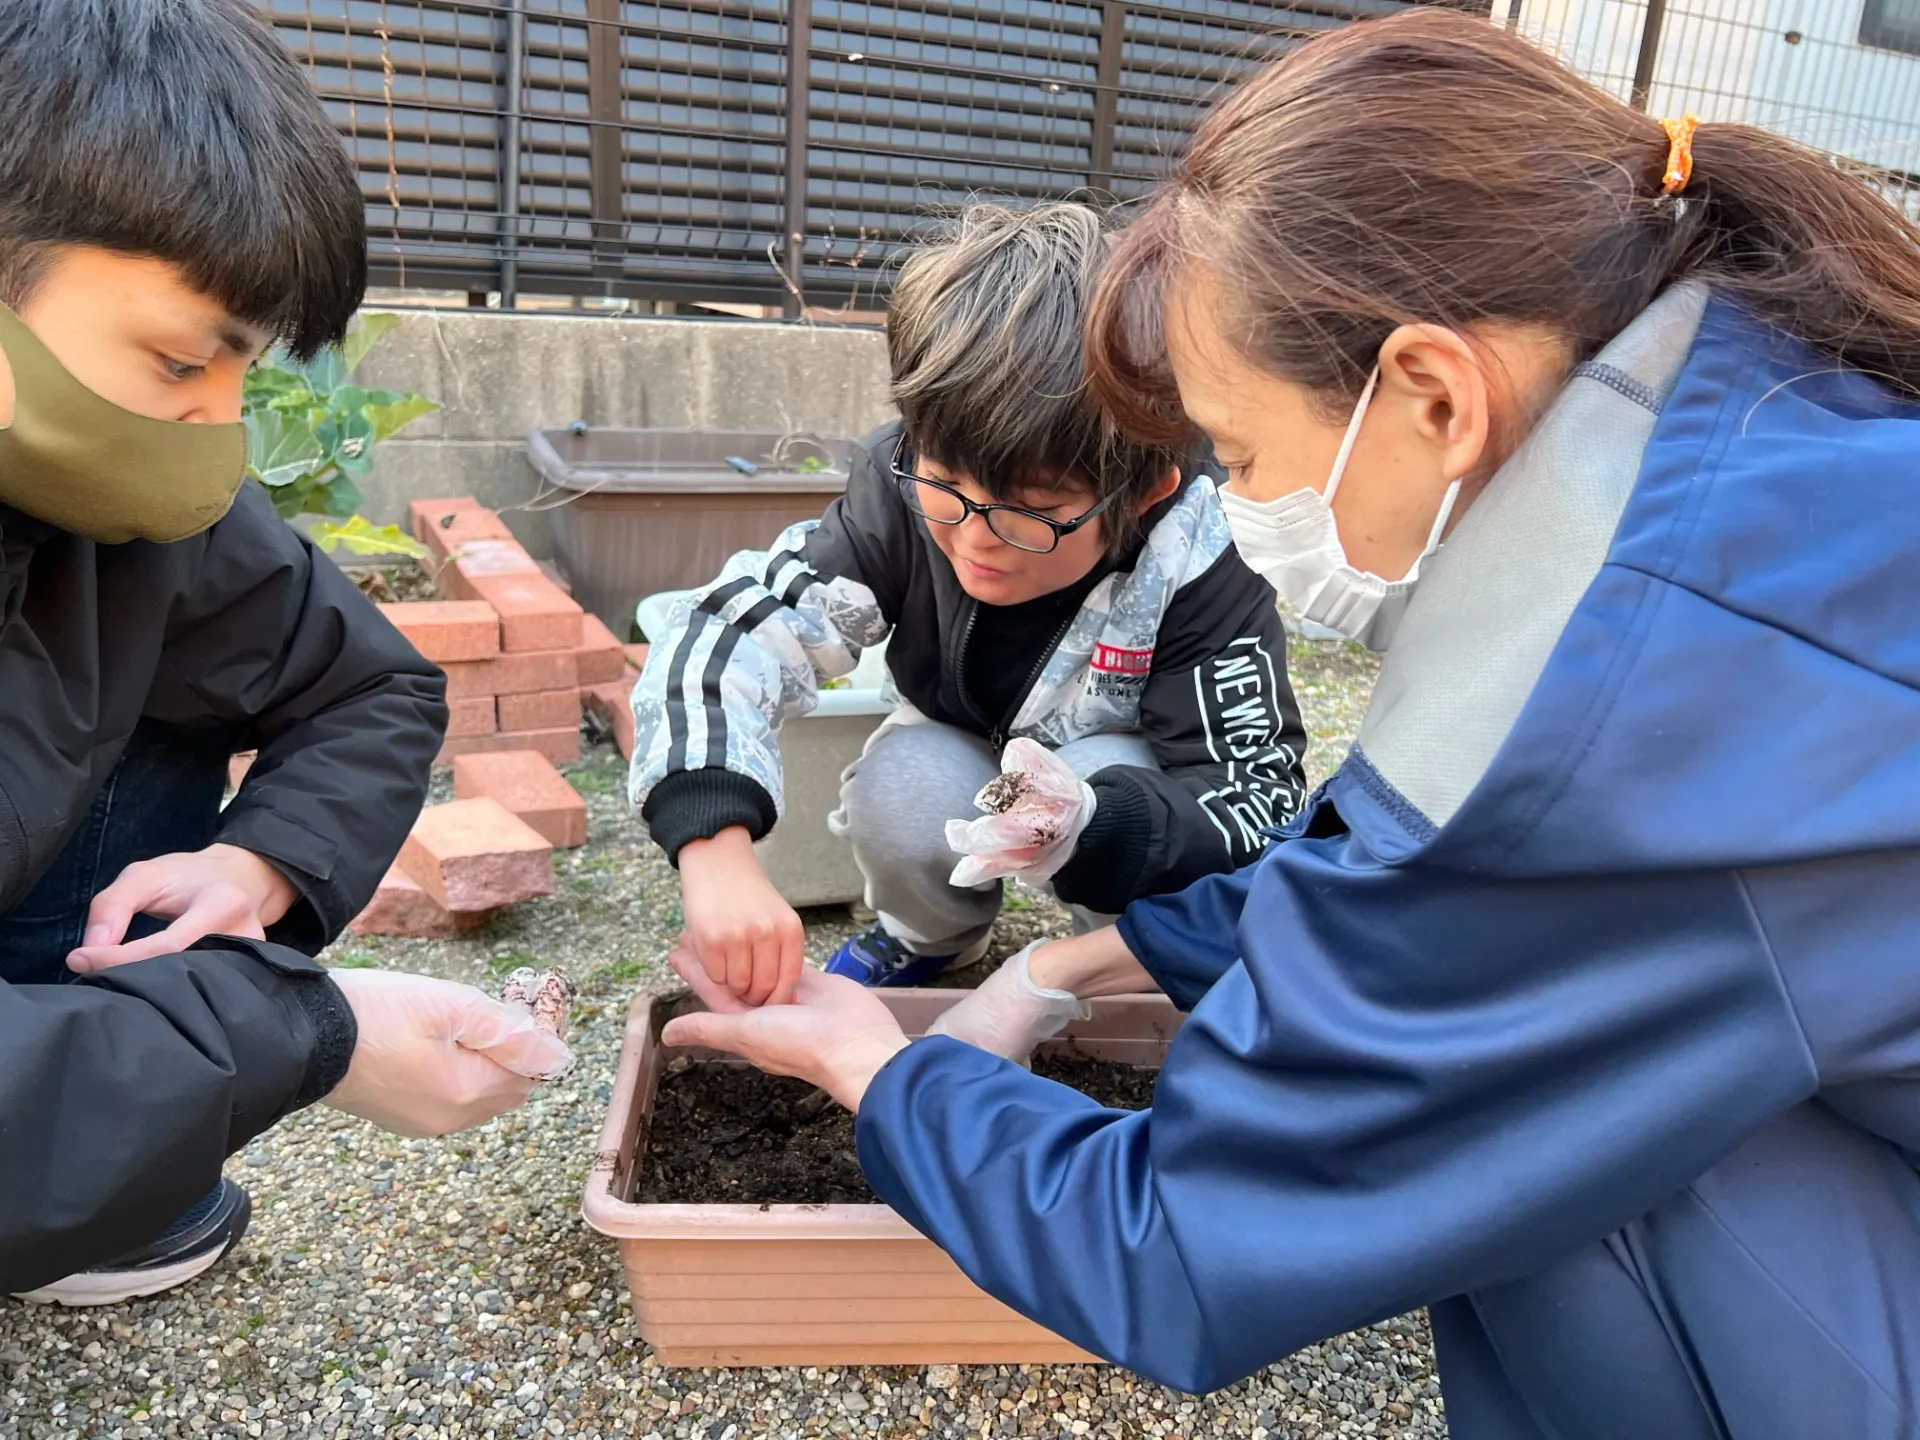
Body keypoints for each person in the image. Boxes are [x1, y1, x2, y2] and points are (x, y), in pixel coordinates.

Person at [657, 11, 1920, 1434]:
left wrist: (870, 1063)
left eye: (1243, 452)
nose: (1246, 503)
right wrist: (1072, 964)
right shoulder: (1770, 411)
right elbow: (1387, 883)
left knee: (1552, 1163)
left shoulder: (1603, 723)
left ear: (1430, 393)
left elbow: (1181, 1239)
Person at [0, 0, 571, 1307]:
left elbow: (366, 679)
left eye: (240, 373)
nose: (218, 425)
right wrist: (308, 1035)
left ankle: (76, 1119)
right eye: (180, 361)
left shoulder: (140, 495)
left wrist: (256, 866)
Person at [630, 203, 1306, 997]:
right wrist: (715, 855)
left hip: (1107, 772)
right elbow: (726, 634)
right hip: (963, 742)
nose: (976, 538)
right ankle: (932, 940)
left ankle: (1124, 969)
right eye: (948, 485)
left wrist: (1094, 824)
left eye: (1035, 511)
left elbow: (1254, 800)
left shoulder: (1200, 550)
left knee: (1111, 773)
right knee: (902, 787)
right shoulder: (900, 488)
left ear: (1146, 492)